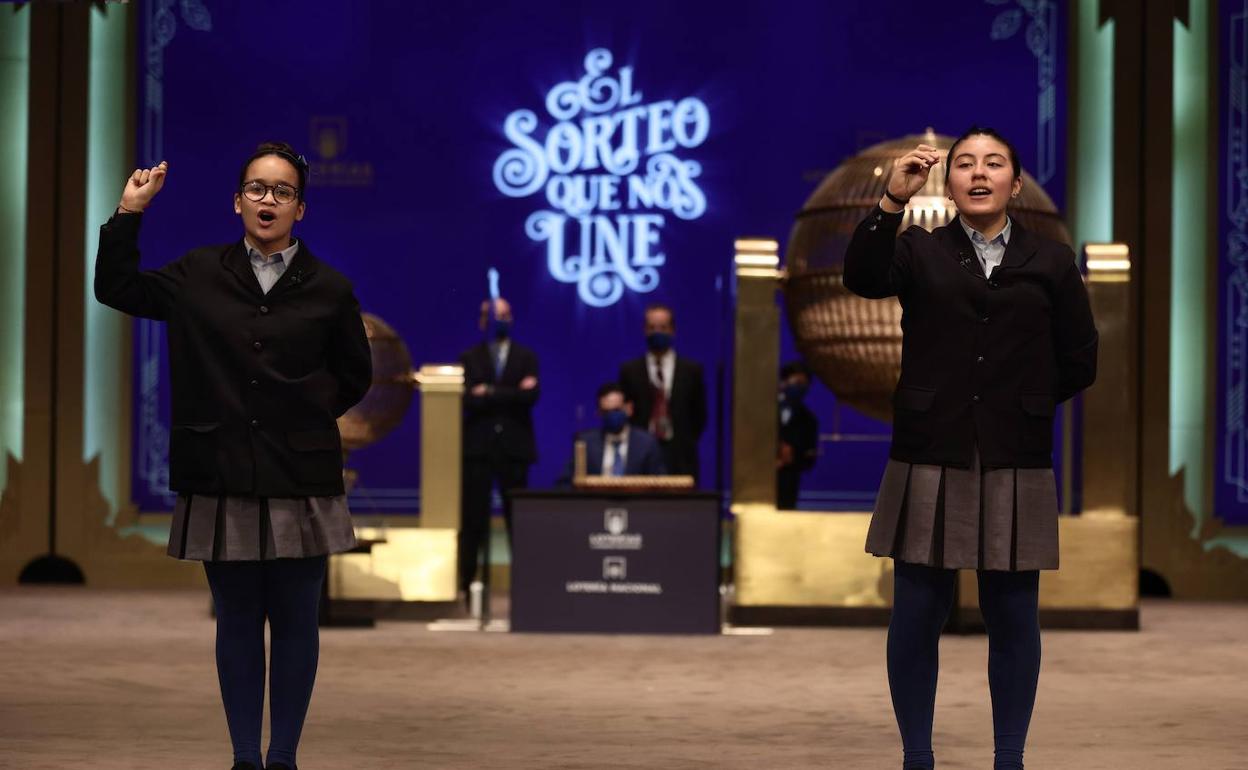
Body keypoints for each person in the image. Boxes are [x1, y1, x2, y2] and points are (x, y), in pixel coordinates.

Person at [94, 142, 373, 770]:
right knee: (238, 621)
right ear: (237, 201)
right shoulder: (197, 273)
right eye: (256, 188)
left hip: (300, 476)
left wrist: (299, 412)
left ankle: (284, 757)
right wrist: (129, 212)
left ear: (300, 207)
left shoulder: (329, 288)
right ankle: (246, 757)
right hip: (218, 470)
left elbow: (354, 376)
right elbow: (115, 288)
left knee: (298, 622)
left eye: (281, 191)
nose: (267, 199)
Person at [842, 127, 1098, 770]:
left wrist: (1022, 401)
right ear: (947, 182)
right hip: (931, 447)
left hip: (1016, 452)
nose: (978, 173)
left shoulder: (1053, 260)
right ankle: (917, 756)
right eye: (964, 164)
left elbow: (1080, 360)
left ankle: (1008, 757)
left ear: (1016, 181)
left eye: (994, 163)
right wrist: (890, 202)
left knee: (1013, 617)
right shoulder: (919, 251)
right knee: (917, 613)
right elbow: (862, 277)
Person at [458, 297, 539, 595]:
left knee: (517, 520)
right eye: (493, 316)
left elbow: (530, 398)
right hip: (477, 449)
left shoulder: (526, 357)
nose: (499, 321)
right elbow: (467, 399)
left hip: (514, 449)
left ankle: (527, 589)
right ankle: (465, 586)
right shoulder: (469, 357)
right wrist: (511, 392)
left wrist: (489, 392)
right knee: (472, 521)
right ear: (482, 321)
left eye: (504, 314)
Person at [617, 303, 707, 480]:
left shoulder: (691, 370)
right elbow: (627, 412)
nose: (657, 332)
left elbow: (699, 416)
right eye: (652, 327)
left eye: (663, 327)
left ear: (672, 330)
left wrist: (684, 439)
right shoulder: (629, 370)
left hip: (680, 452)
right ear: (645, 330)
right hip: (641, 451)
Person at [561, 382, 666, 481]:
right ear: (599, 412)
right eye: (606, 411)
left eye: (616, 410)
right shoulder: (585, 442)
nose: (612, 415)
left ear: (629, 409)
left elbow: (659, 483)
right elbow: (566, 482)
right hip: (596, 499)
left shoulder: (647, 443)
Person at [776, 361, 819, 509]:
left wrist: (792, 457)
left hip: (788, 488)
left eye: (804, 384)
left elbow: (809, 458)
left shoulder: (809, 420)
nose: (800, 388)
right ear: (783, 382)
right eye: (797, 382)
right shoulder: (763, 414)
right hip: (758, 486)